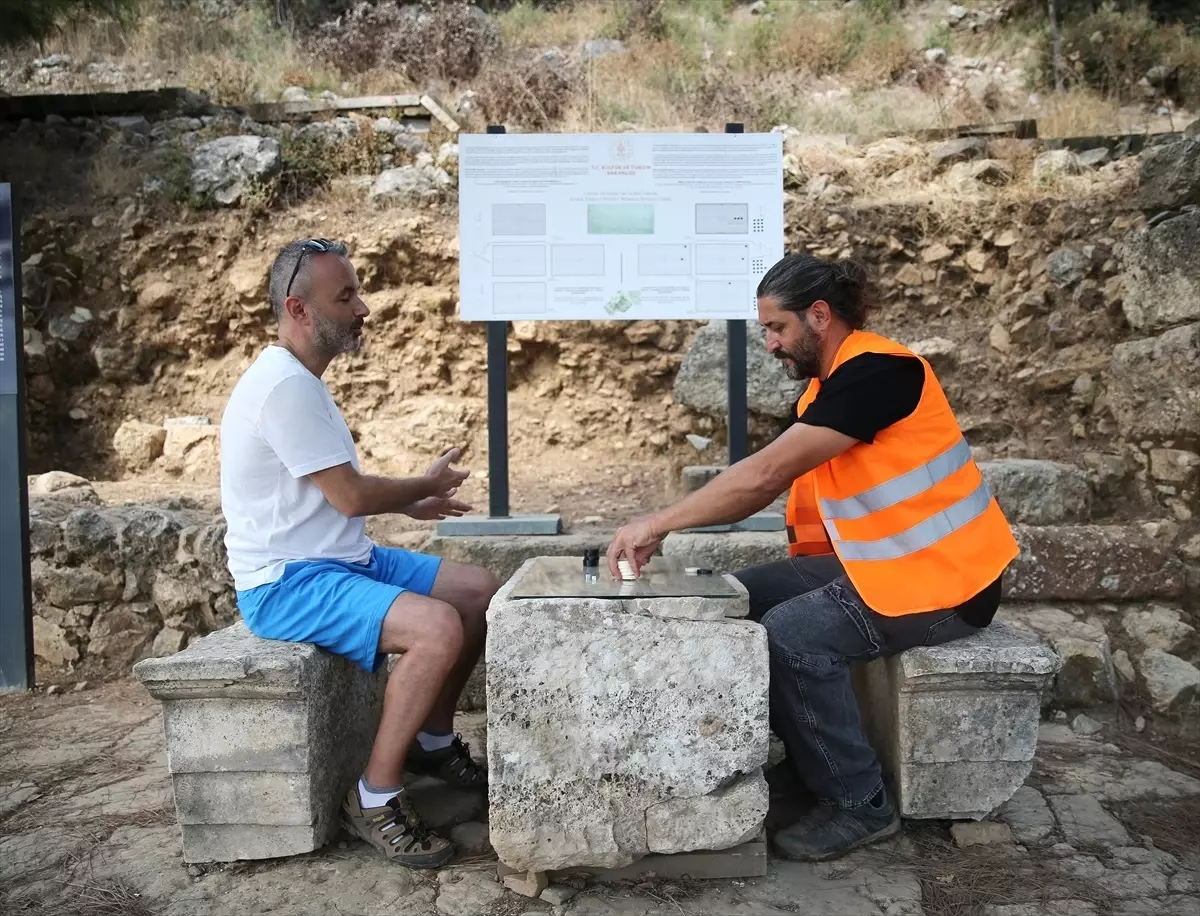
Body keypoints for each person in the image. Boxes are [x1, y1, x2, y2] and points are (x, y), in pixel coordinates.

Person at [606, 253, 1018, 863]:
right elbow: (767, 477)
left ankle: (860, 803)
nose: (770, 344)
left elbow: (765, 474)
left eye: (777, 328)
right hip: (885, 563)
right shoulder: (831, 387)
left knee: (793, 634)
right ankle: (814, 761)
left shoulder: (881, 373)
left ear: (819, 316)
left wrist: (659, 523)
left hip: (948, 581)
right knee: (736, 598)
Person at [219, 238, 499, 869]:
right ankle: (374, 795)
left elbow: (336, 496)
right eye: (344, 296)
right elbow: (347, 495)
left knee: (478, 590)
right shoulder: (283, 387)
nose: (363, 307)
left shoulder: (299, 379)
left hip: (340, 558)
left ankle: (430, 737)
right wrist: (419, 489)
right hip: (287, 580)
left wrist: (408, 504)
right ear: (297, 307)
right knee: (436, 630)